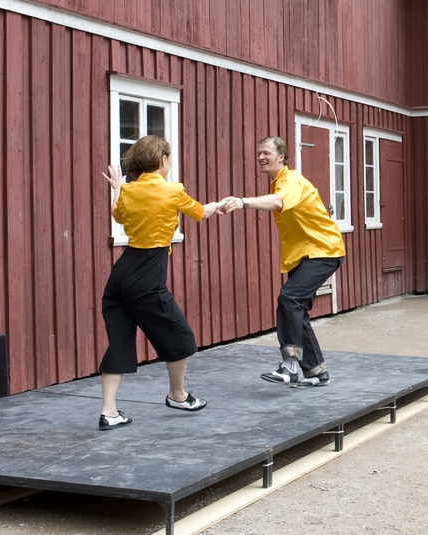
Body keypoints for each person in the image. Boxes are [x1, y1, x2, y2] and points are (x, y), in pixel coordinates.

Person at [97, 136, 220, 429]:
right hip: (148, 275)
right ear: (163, 160)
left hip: (121, 274)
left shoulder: (128, 191)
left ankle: (109, 412)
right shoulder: (172, 191)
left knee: (120, 341)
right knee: (181, 336)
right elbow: (200, 212)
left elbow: (119, 215)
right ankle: (177, 394)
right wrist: (222, 204)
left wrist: (118, 190)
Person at [221, 136, 346, 387]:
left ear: (281, 157)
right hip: (304, 254)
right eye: (258, 153)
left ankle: (290, 366)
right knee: (295, 310)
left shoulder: (291, 181)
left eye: (266, 153)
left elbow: (279, 202)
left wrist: (243, 202)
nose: (260, 157)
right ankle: (316, 371)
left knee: (289, 299)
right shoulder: (279, 182)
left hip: (323, 251)